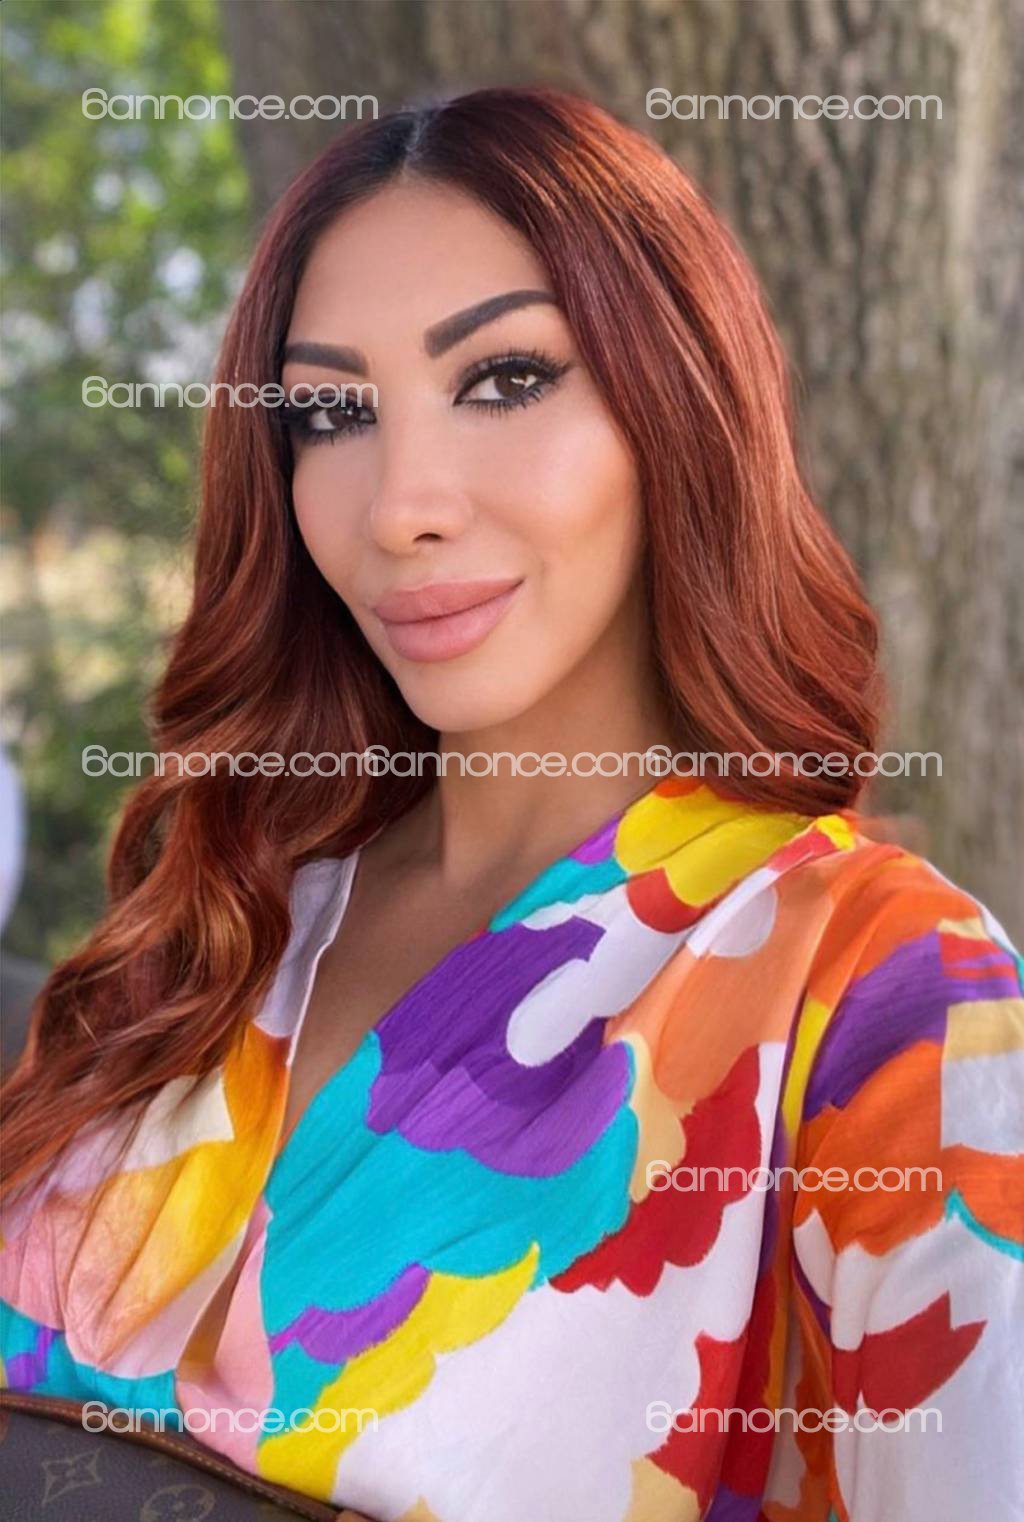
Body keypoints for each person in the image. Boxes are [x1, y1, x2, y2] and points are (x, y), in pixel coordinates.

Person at [1, 88, 1021, 1522]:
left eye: (504, 379)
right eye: (332, 411)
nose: (399, 505)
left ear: (678, 404)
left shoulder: (881, 987)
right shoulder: (226, 924)